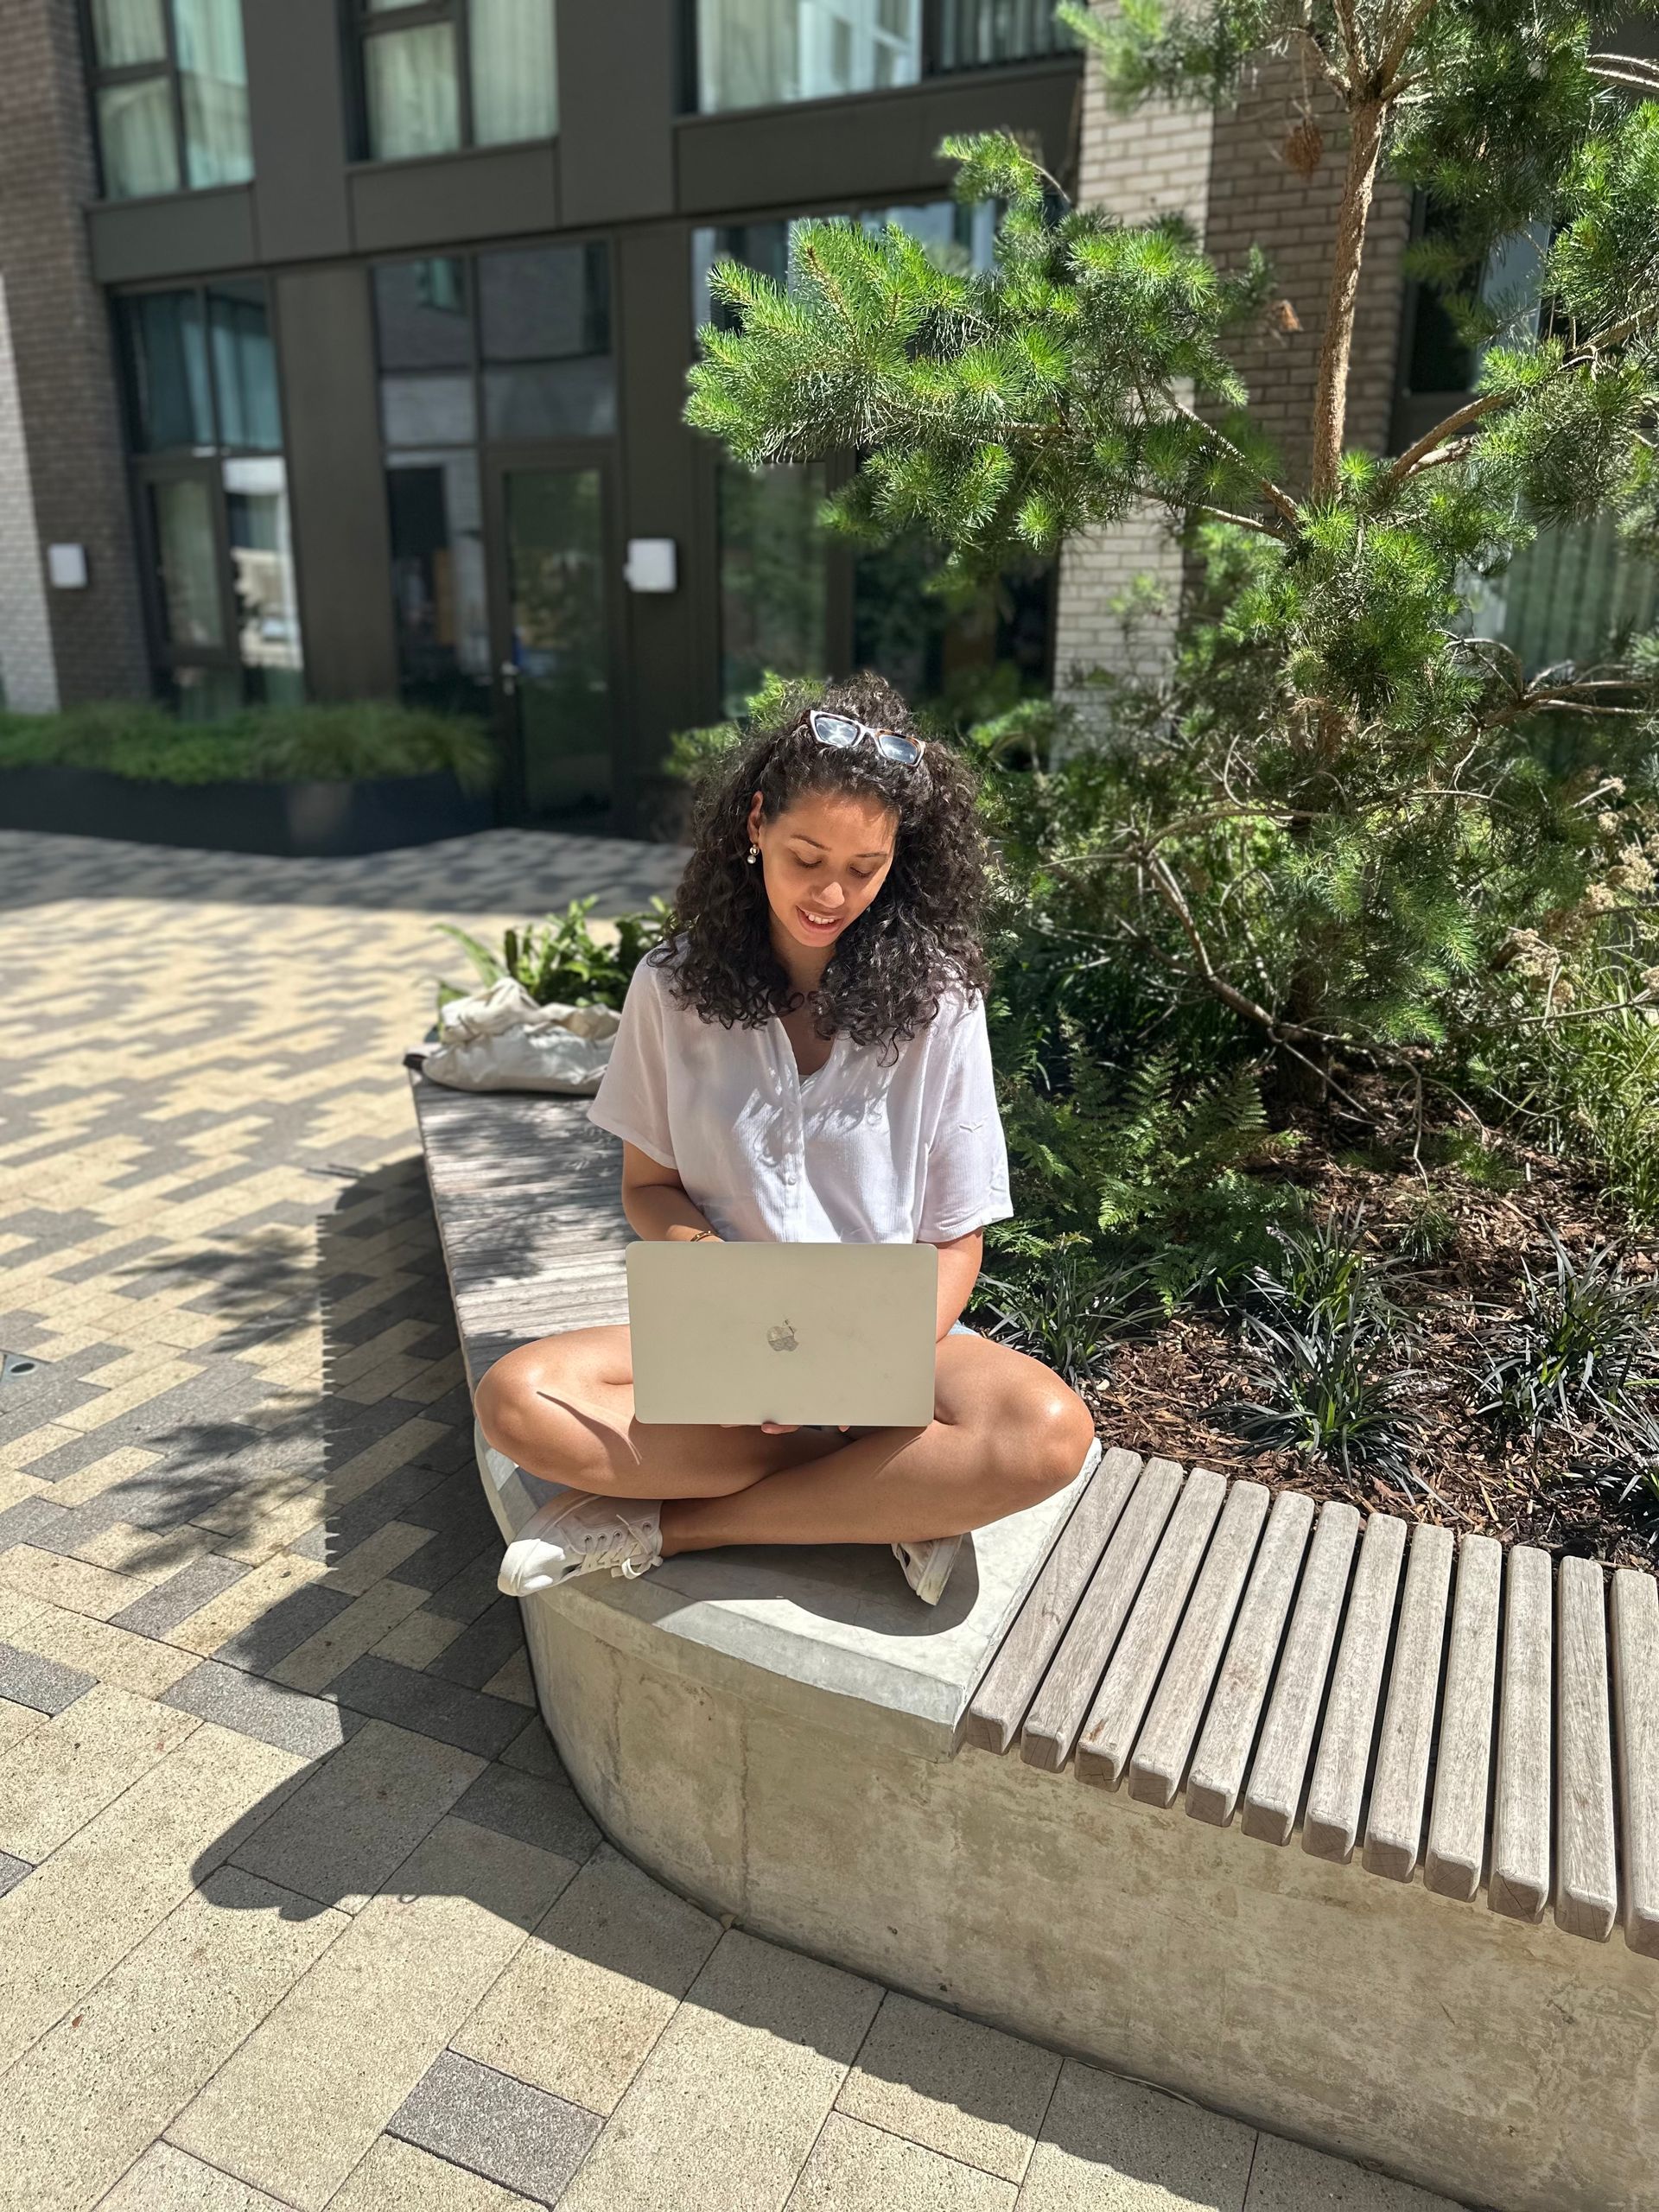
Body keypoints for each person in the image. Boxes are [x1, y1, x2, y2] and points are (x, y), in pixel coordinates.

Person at [474, 673, 1100, 1605]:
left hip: (890, 1331)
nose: (832, 892)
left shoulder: (940, 1003)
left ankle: (683, 1524)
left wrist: (854, 1370)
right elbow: (648, 1186)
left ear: (902, 861)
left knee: (1050, 1430)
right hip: (727, 1321)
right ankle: (877, 1493)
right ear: (756, 823)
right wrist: (736, 1308)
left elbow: (956, 1234)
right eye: (807, 856)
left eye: (865, 867)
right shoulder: (672, 988)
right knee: (518, 1401)